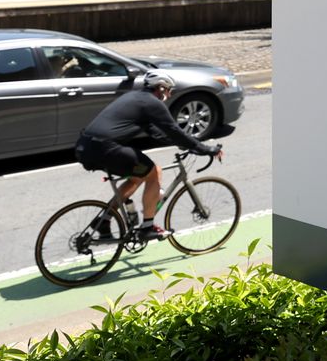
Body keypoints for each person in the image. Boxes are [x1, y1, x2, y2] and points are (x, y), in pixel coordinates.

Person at [73, 70, 221, 241]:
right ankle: (147, 228)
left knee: (137, 176)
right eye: (168, 89)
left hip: (86, 146)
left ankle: (104, 220)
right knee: (153, 173)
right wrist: (203, 148)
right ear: (160, 88)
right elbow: (173, 129)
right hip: (106, 148)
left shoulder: (135, 98)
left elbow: (158, 133)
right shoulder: (152, 103)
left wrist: (182, 143)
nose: (169, 93)